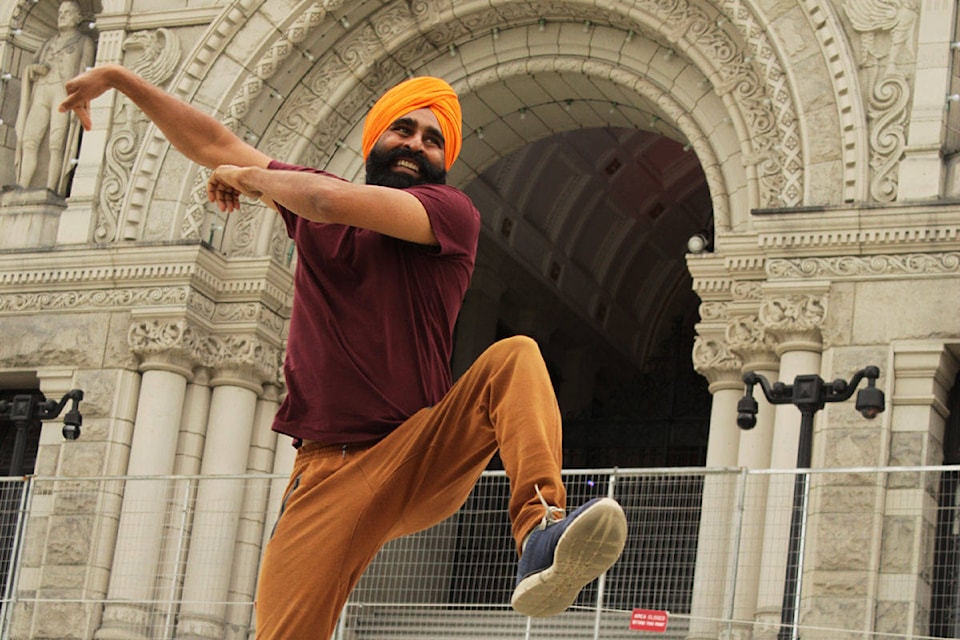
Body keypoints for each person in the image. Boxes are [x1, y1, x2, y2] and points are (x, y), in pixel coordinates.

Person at [60, 64, 628, 640]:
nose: (415, 146)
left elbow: (322, 199)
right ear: (375, 137)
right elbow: (214, 143)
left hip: (417, 450)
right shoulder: (311, 203)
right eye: (403, 130)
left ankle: (540, 532)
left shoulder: (450, 212)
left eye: (434, 140)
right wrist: (120, 80)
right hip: (325, 472)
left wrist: (248, 177)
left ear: (444, 161)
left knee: (515, 357)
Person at [15, 1, 94, 192]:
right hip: (42, 91)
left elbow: (86, 73)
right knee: (29, 139)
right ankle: (22, 185)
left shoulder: (84, 42)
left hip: (63, 94)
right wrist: (33, 70)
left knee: (56, 143)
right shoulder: (47, 43)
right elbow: (31, 67)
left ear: (78, 18)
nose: (62, 15)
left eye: (68, 12)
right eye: (60, 12)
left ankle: (52, 187)